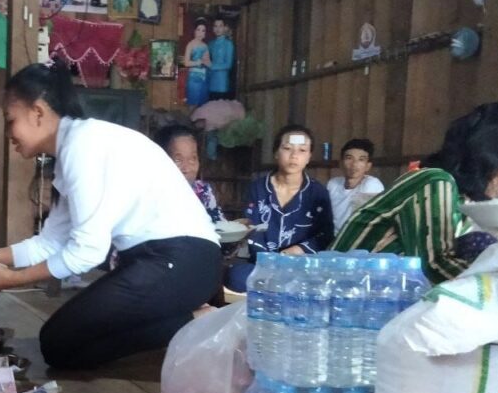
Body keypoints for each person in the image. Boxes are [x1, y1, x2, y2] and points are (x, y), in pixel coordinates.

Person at [0, 64, 221, 370]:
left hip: (183, 261)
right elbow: (49, 244)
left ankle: (195, 321)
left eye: (10, 121)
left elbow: (87, 252)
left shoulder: (82, 145)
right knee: (62, 346)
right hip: (158, 261)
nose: (9, 134)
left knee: (58, 342)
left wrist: (14, 280)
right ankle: (185, 321)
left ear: (37, 112)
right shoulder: (73, 149)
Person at [332, 102, 498, 283]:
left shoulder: (459, 198)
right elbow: (435, 267)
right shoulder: (434, 181)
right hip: (343, 294)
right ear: (489, 156)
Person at [226, 124, 334, 292]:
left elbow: (325, 234)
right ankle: (280, 286)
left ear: (309, 157)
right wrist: (270, 262)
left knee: (322, 281)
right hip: (263, 265)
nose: (294, 156)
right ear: (276, 153)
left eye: (302, 150)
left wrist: (296, 251)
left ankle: (277, 286)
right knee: (236, 276)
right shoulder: (257, 188)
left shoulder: (317, 192)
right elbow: (253, 227)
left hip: (300, 266)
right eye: (287, 148)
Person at [154, 122, 225, 224]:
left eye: (193, 159)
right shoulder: (150, 194)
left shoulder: (203, 192)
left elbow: (219, 224)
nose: (187, 169)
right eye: (178, 160)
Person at [326, 138, 385, 234]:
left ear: (368, 166)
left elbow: (363, 222)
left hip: (355, 238)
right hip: (331, 238)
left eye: (361, 159)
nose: (354, 164)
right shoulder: (333, 184)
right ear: (341, 163)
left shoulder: (372, 184)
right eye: (349, 158)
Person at [184, 20, 210, 108]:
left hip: (204, 77)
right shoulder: (190, 44)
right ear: (194, 31)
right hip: (194, 78)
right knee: (193, 104)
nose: (200, 33)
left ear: (205, 33)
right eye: (198, 30)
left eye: (203, 31)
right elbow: (186, 63)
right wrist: (197, 62)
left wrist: (210, 64)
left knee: (203, 105)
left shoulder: (205, 46)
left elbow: (208, 62)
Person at [207, 17, 235, 100]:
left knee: (221, 106)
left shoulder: (228, 44)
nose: (218, 29)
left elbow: (228, 65)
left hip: (222, 83)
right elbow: (205, 60)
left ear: (224, 28)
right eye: (215, 26)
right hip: (210, 82)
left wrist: (212, 66)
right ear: (213, 28)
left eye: (220, 26)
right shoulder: (210, 44)